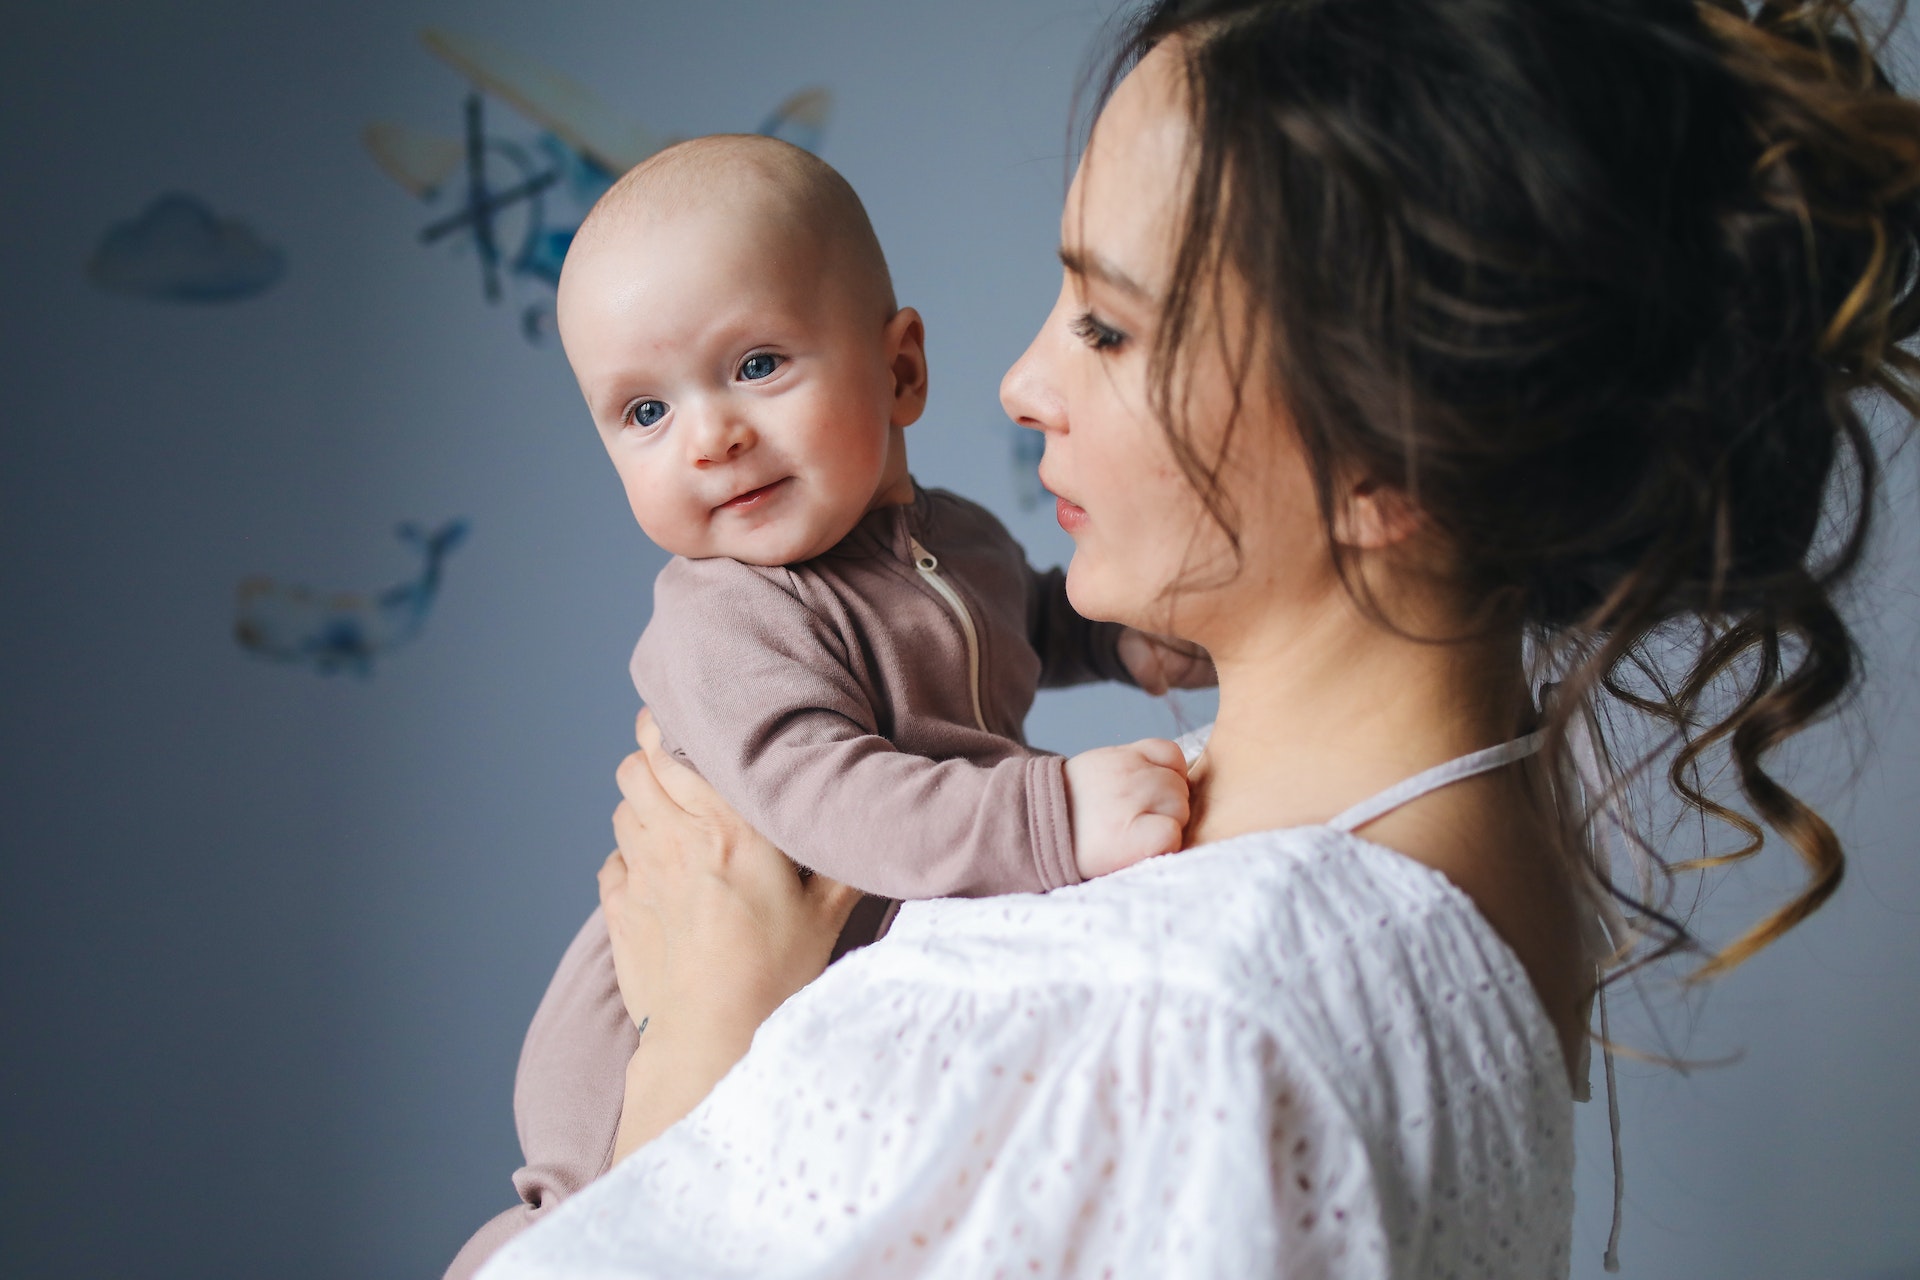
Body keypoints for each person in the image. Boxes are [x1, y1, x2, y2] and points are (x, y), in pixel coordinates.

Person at [472, 0, 1920, 1274]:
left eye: (1108, 324)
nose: (1025, 382)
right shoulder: (1479, 847)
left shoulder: (1193, 1016)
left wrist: (701, 1050)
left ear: (1386, 457)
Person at [443, 135, 1214, 1278]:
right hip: (653, 1014)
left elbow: (1020, 631)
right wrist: (1047, 816)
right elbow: (824, 797)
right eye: (644, 412)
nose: (711, 435)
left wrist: (1128, 637)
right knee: (594, 1216)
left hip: (846, 960)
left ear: (900, 370)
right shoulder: (722, 618)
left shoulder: (955, 538)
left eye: (756, 365)